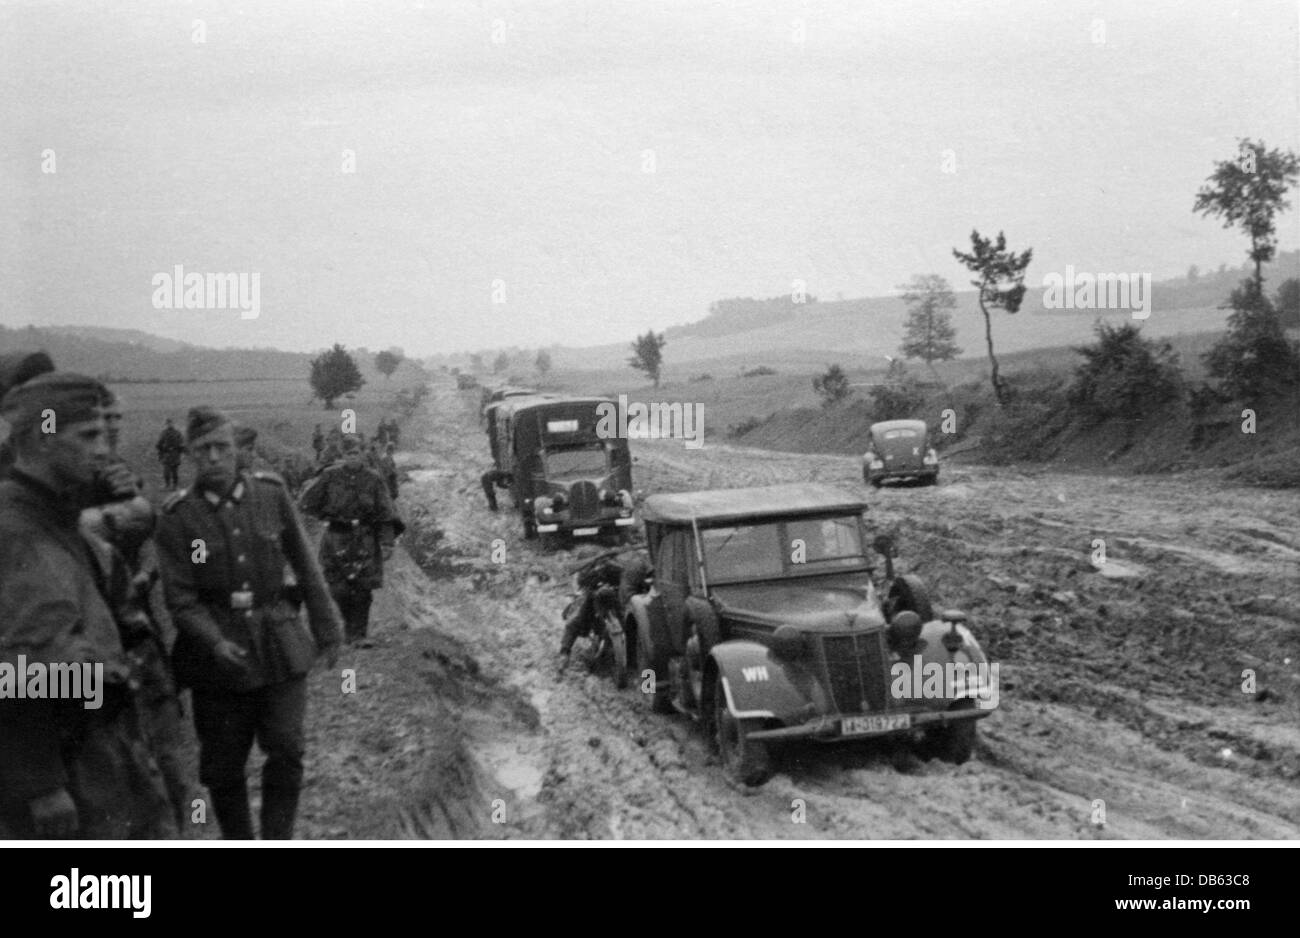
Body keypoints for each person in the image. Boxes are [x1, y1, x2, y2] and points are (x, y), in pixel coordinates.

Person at [0, 372, 176, 838]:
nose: (103, 448)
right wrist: (41, 781)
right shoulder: (16, 529)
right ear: (43, 436)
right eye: (89, 435)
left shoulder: (59, 519)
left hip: (99, 744)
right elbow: (20, 667)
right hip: (65, 763)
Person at [155, 406, 342, 839]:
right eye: (204, 450)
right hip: (217, 659)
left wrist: (327, 628)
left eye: (222, 447)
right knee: (222, 765)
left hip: (279, 642)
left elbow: (307, 567)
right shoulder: (180, 518)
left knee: (287, 747)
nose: (214, 458)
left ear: (237, 450)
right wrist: (214, 642)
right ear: (189, 455)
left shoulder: (271, 495)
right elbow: (180, 601)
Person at [81, 387, 194, 831]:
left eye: (115, 419)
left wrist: (145, 575)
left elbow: (149, 541)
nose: (109, 429)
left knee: (167, 761)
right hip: (83, 649)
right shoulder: (49, 485)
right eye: (98, 420)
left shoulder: (121, 474)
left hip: (136, 636)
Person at [299, 434, 403, 645]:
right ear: (343, 455)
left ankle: (359, 634)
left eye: (356, 453)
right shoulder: (329, 476)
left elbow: (386, 512)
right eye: (348, 453)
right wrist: (324, 515)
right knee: (338, 587)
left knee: (363, 588)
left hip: (364, 537)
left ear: (363, 454)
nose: (352, 457)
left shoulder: (373, 479)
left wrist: (387, 542)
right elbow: (306, 502)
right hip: (336, 537)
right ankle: (349, 628)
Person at [156, 418, 184, 490]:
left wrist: (179, 451)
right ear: (166, 425)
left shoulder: (177, 433)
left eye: (170, 423)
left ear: (173, 424)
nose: (169, 425)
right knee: (166, 471)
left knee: (174, 471)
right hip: (166, 455)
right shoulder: (163, 433)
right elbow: (159, 444)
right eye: (168, 424)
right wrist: (162, 451)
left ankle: (175, 486)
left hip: (175, 454)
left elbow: (181, 444)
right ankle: (167, 485)